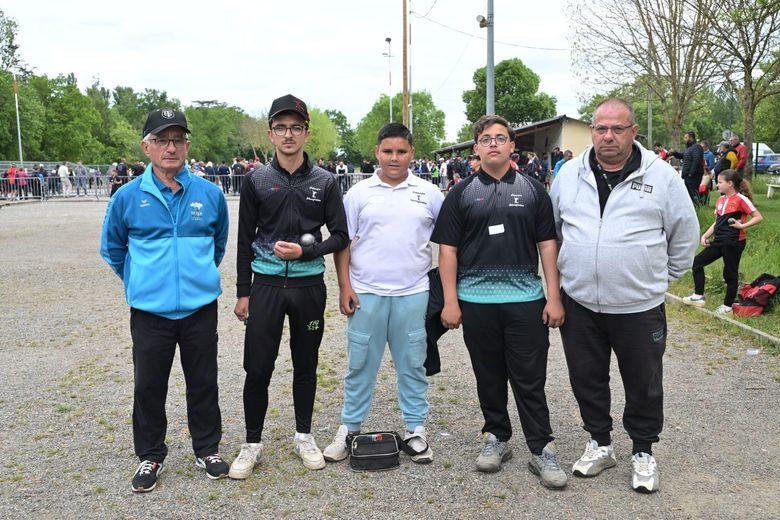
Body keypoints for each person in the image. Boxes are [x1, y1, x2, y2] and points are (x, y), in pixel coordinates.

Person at [550, 98, 699, 493]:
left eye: (618, 129)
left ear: (633, 132)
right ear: (592, 131)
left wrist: (656, 279)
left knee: (643, 382)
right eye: (601, 128)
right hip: (581, 303)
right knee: (586, 378)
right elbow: (555, 230)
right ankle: (600, 443)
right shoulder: (569, 175)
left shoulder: (661, 176)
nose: (608, 136)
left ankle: (643, 450)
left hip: (639, 306)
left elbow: (685, 233)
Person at [431, 114, 567, 488]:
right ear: (476, 148)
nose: (493, 144)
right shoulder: (460, 193)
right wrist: (450, 301)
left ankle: (542, 447)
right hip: (475, 301)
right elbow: (447, 250)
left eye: (500, 138)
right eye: (486, 139)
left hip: (525, 299)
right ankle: (496, 436)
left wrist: (554, 296)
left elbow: (547, 246)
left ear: (512, 146)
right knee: (488, 374)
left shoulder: (534, 190)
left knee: (529, 377)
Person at [100, 108, 231, 493]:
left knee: (203, 381)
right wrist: (140, 281)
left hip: (199, 309)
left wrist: (196, 276)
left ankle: (207, 449)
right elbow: (113, 249)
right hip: (150, 312)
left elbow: (218, 245)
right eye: (161, 140)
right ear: (146, 147)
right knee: (149, 386)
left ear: (187, 145)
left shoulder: (210, 194)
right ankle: (150, 454)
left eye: (177, 140)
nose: (170, 147)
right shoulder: (126, 197)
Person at [230, 94, 349, 478]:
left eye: (295, 127)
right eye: (280, 127)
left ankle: (304, 436)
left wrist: (305, 252)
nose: (288, 134)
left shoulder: (325, 181)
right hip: (265, 287)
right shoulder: (257, 180)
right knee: (258, 367)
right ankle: (252, 443)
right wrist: (243, 291)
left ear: (306, 133)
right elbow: (244, 239)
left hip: (308, 288)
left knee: (306, 363)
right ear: (270, 133)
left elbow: (341, 236)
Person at [322, 122, 444, 464]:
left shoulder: (429, 193)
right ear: (377, 152)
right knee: (360, 364)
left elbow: (450, 242)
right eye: (387, 151)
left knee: (413, 364)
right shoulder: (359, 194)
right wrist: (344, 286)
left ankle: (416, 429)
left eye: (401, 151)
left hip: (413, 293)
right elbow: (343, 242)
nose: (394, 158)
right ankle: (349, 428)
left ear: (412, 154)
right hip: (367, 293)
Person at [683, 169, 763, 314]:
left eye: (720, 182)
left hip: (734, 242)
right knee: (696, 263)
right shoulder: (720, 200)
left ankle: (727, 306)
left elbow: (758, 217)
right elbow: (717, 222)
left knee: (730, 273)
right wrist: (705, 236)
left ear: (730, 183)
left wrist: (742, 226)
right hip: (719, 241)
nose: (717, 185)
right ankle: (698, 296)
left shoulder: (741, 199)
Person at [669, 132, 704, 205]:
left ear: (691, 138)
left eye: (686, 138)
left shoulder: (697, 147)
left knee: (693, 192)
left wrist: (691, 173)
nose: (684, 139)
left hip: (693, 174)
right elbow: (682, 156)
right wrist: (674, 153)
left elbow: (696, 160)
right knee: (689, 193)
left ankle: (696, 206)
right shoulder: (689, 149)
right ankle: (692, 206)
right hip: (687, 175)